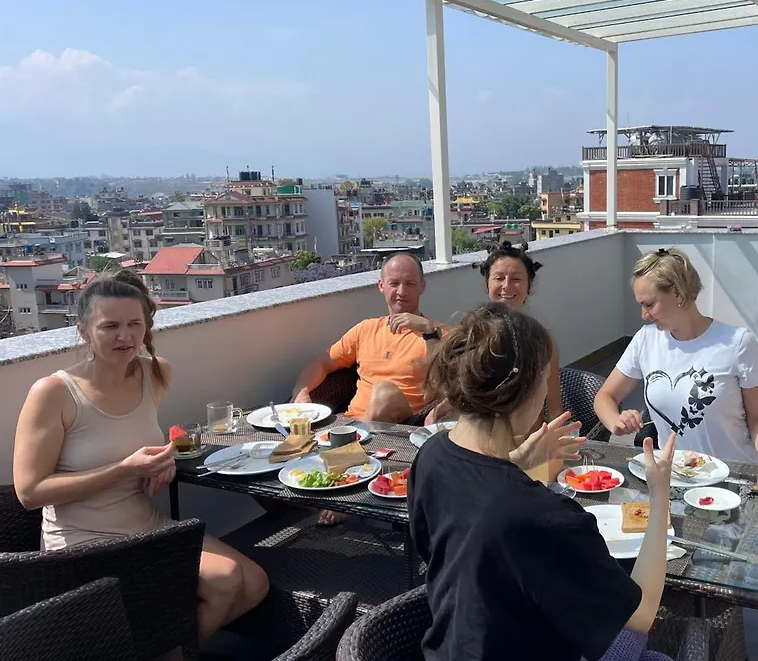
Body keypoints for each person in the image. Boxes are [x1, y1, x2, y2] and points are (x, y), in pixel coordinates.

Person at [410, 302, 678, 661]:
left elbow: (465, 534)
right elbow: (638, 616)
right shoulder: (542, 515)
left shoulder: (431, 456)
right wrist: (660, 498)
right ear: (526, 389)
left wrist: (515, 465)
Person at [12, 270, 268, 643]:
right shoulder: (54, 392)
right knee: (226, 579)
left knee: (255, 583)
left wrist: (160, 463)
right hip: (82, 539)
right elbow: (29, 492)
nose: (125, 336)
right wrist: (123, 470)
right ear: (84, 331)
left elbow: (131, 440)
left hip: (143, 522)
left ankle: (164, 651)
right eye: (110, 326)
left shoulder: (156, 373)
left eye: (134, 324)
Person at [594, 248, 758, 471]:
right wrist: (615, 421)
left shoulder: (738, 343)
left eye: (649, 304)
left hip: (733, 475)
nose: (643, 315)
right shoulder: (645, 340)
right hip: (676, 475)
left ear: (678, 294)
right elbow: (605, 397)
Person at [292, 252, 443, 525]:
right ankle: (329, 492)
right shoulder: (366, 330)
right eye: (394, 283)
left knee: (384, 392)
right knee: (268, 456)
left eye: (410, 284)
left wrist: (429, 332)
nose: (401, 291)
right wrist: (301, 392)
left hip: (402, 426)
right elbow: (322, 362)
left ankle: (348, 491)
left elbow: (449, 381)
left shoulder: (440, 333)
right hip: (349, 428)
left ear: (422, 286)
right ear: (381, 286)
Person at [475, 241, 565, 477]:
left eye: (516, 279)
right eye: (499, 278)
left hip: (527, 449)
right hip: (480, 445)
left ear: (528, 286)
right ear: (487, 283)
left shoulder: (541, 339)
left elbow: (554, 405)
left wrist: (555, 452)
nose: (507, 286)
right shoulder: (474, 334)